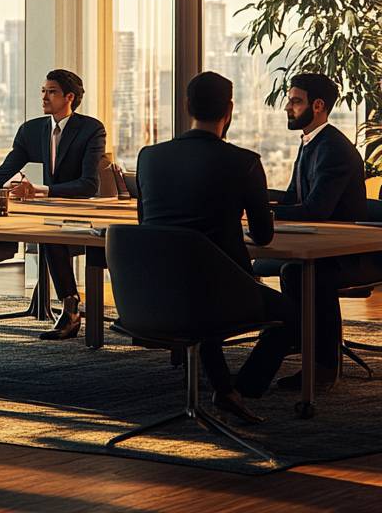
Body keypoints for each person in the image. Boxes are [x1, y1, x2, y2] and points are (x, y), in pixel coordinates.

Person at [136, 72, 296, 422]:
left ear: (187, 106)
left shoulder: (149, 157)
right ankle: (243, 387)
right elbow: (264, 236)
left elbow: (145, 225)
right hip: (222, 293)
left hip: (152, 292)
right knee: (294, 314)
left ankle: (224, 388)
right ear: (230, 110)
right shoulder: (244, 162)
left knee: (197, 299)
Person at [0, 69, 106, 340]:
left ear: (69, 97)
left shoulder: (90, 129)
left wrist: (41, 190)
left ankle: (70, 307)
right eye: (43, 91)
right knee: (49, 233)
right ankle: (70, 306)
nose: (44, 97)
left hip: (81, 214)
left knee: (52, 236)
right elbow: (1, 176)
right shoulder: (31, 130)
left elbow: (89, 185)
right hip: (49, 215)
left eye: (52, 92)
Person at [262, 72, 367, 391]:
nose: (287, 107)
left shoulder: (332, 148)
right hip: (319, 245)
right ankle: (300, 339)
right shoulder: (312, 141)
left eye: (295, 101)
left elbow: (316, 210)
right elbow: (295, 198)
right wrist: (255, 198)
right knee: (290, 269)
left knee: (297, 272)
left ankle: (322, 365)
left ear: (318, 106)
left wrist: (265, 211)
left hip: (343, 252)